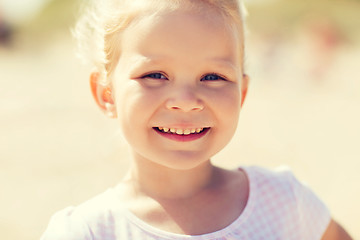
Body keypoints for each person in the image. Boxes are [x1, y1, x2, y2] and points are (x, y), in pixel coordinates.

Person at [41, 0, 353, 239]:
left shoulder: (286, 202)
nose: (187, 102)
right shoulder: (86, 232)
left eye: (213, 76)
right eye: (155, 75)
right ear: (107, 94)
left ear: (241, 95)